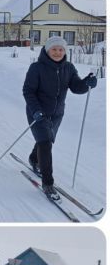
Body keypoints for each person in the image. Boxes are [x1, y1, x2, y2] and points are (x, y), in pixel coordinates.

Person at [22, 36, 96, 199]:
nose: (57, 52)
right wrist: (36, 110)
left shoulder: (68, 68)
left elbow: (76, 87)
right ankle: (48, 183)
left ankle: (34, 159)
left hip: (57, 114)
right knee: (46, 143)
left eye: (61, 49)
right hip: (38, 113)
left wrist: (87, 83)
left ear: (65, 51)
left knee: (46, 141)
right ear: (47, 50)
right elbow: (28, 91)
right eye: (54, 49)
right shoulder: (37, 68)